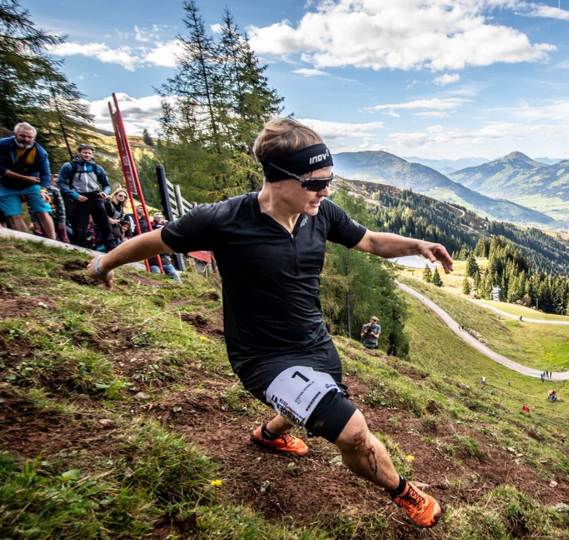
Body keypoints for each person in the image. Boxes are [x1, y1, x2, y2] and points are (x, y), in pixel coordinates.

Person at [85, 118, 452, 528]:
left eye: (329, 180)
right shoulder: (223, 219)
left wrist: (417, 245)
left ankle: (270, 434)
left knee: (317, 395)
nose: (326, 191)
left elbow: (369, 240)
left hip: (314, 341)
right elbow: (154, 241)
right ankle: (402, 490)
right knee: (352, 433)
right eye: (315, 183)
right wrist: (102, 264)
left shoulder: (321, 214)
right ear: (278, 178)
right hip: (263, 357)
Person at [0, 122, 56, 238]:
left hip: (32, 186)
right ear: (15, 134)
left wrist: (44, 190)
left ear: (34, 138)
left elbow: (45, 174)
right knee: (13, 215)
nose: (26, 139)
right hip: (7, 186)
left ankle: (53, 241)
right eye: (22, 136)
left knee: (42, 211)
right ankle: (26, 240)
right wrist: (25, 178)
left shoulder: (40, 152)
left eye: (30, 137)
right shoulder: (3, 145)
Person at [58, 144, 116, 250]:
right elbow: (61, 182)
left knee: (104, 224)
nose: (87, 155)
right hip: (79, 198)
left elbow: (106, 185)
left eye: (89, 153)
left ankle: (112, 248)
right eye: (84, 152)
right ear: (79, 152)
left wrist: (104, 193)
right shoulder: (69, 166)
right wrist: (74, 195)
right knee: (79, 226)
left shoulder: (97, 168)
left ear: (92, 154)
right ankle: (78, 249)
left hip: (95, 197)